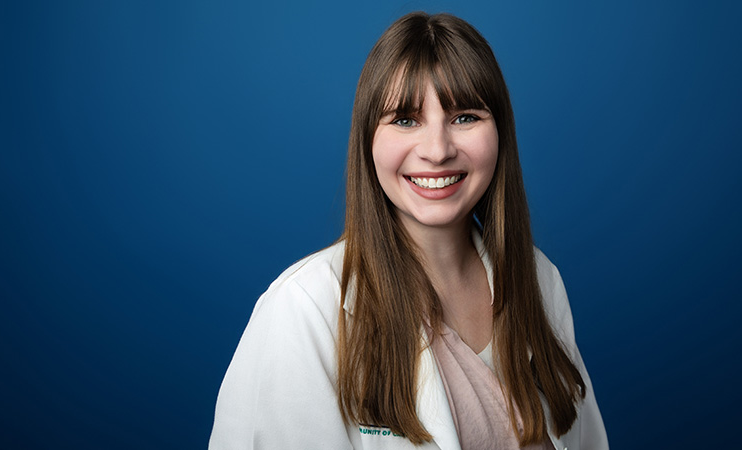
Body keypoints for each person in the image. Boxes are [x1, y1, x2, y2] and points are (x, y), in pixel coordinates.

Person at [209, 11, 607, 450]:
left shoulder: (540, 281)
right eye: (404, 119)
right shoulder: (303, 311)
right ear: (368, 140)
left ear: (500, 133)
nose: (437, 151)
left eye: (465, 117)